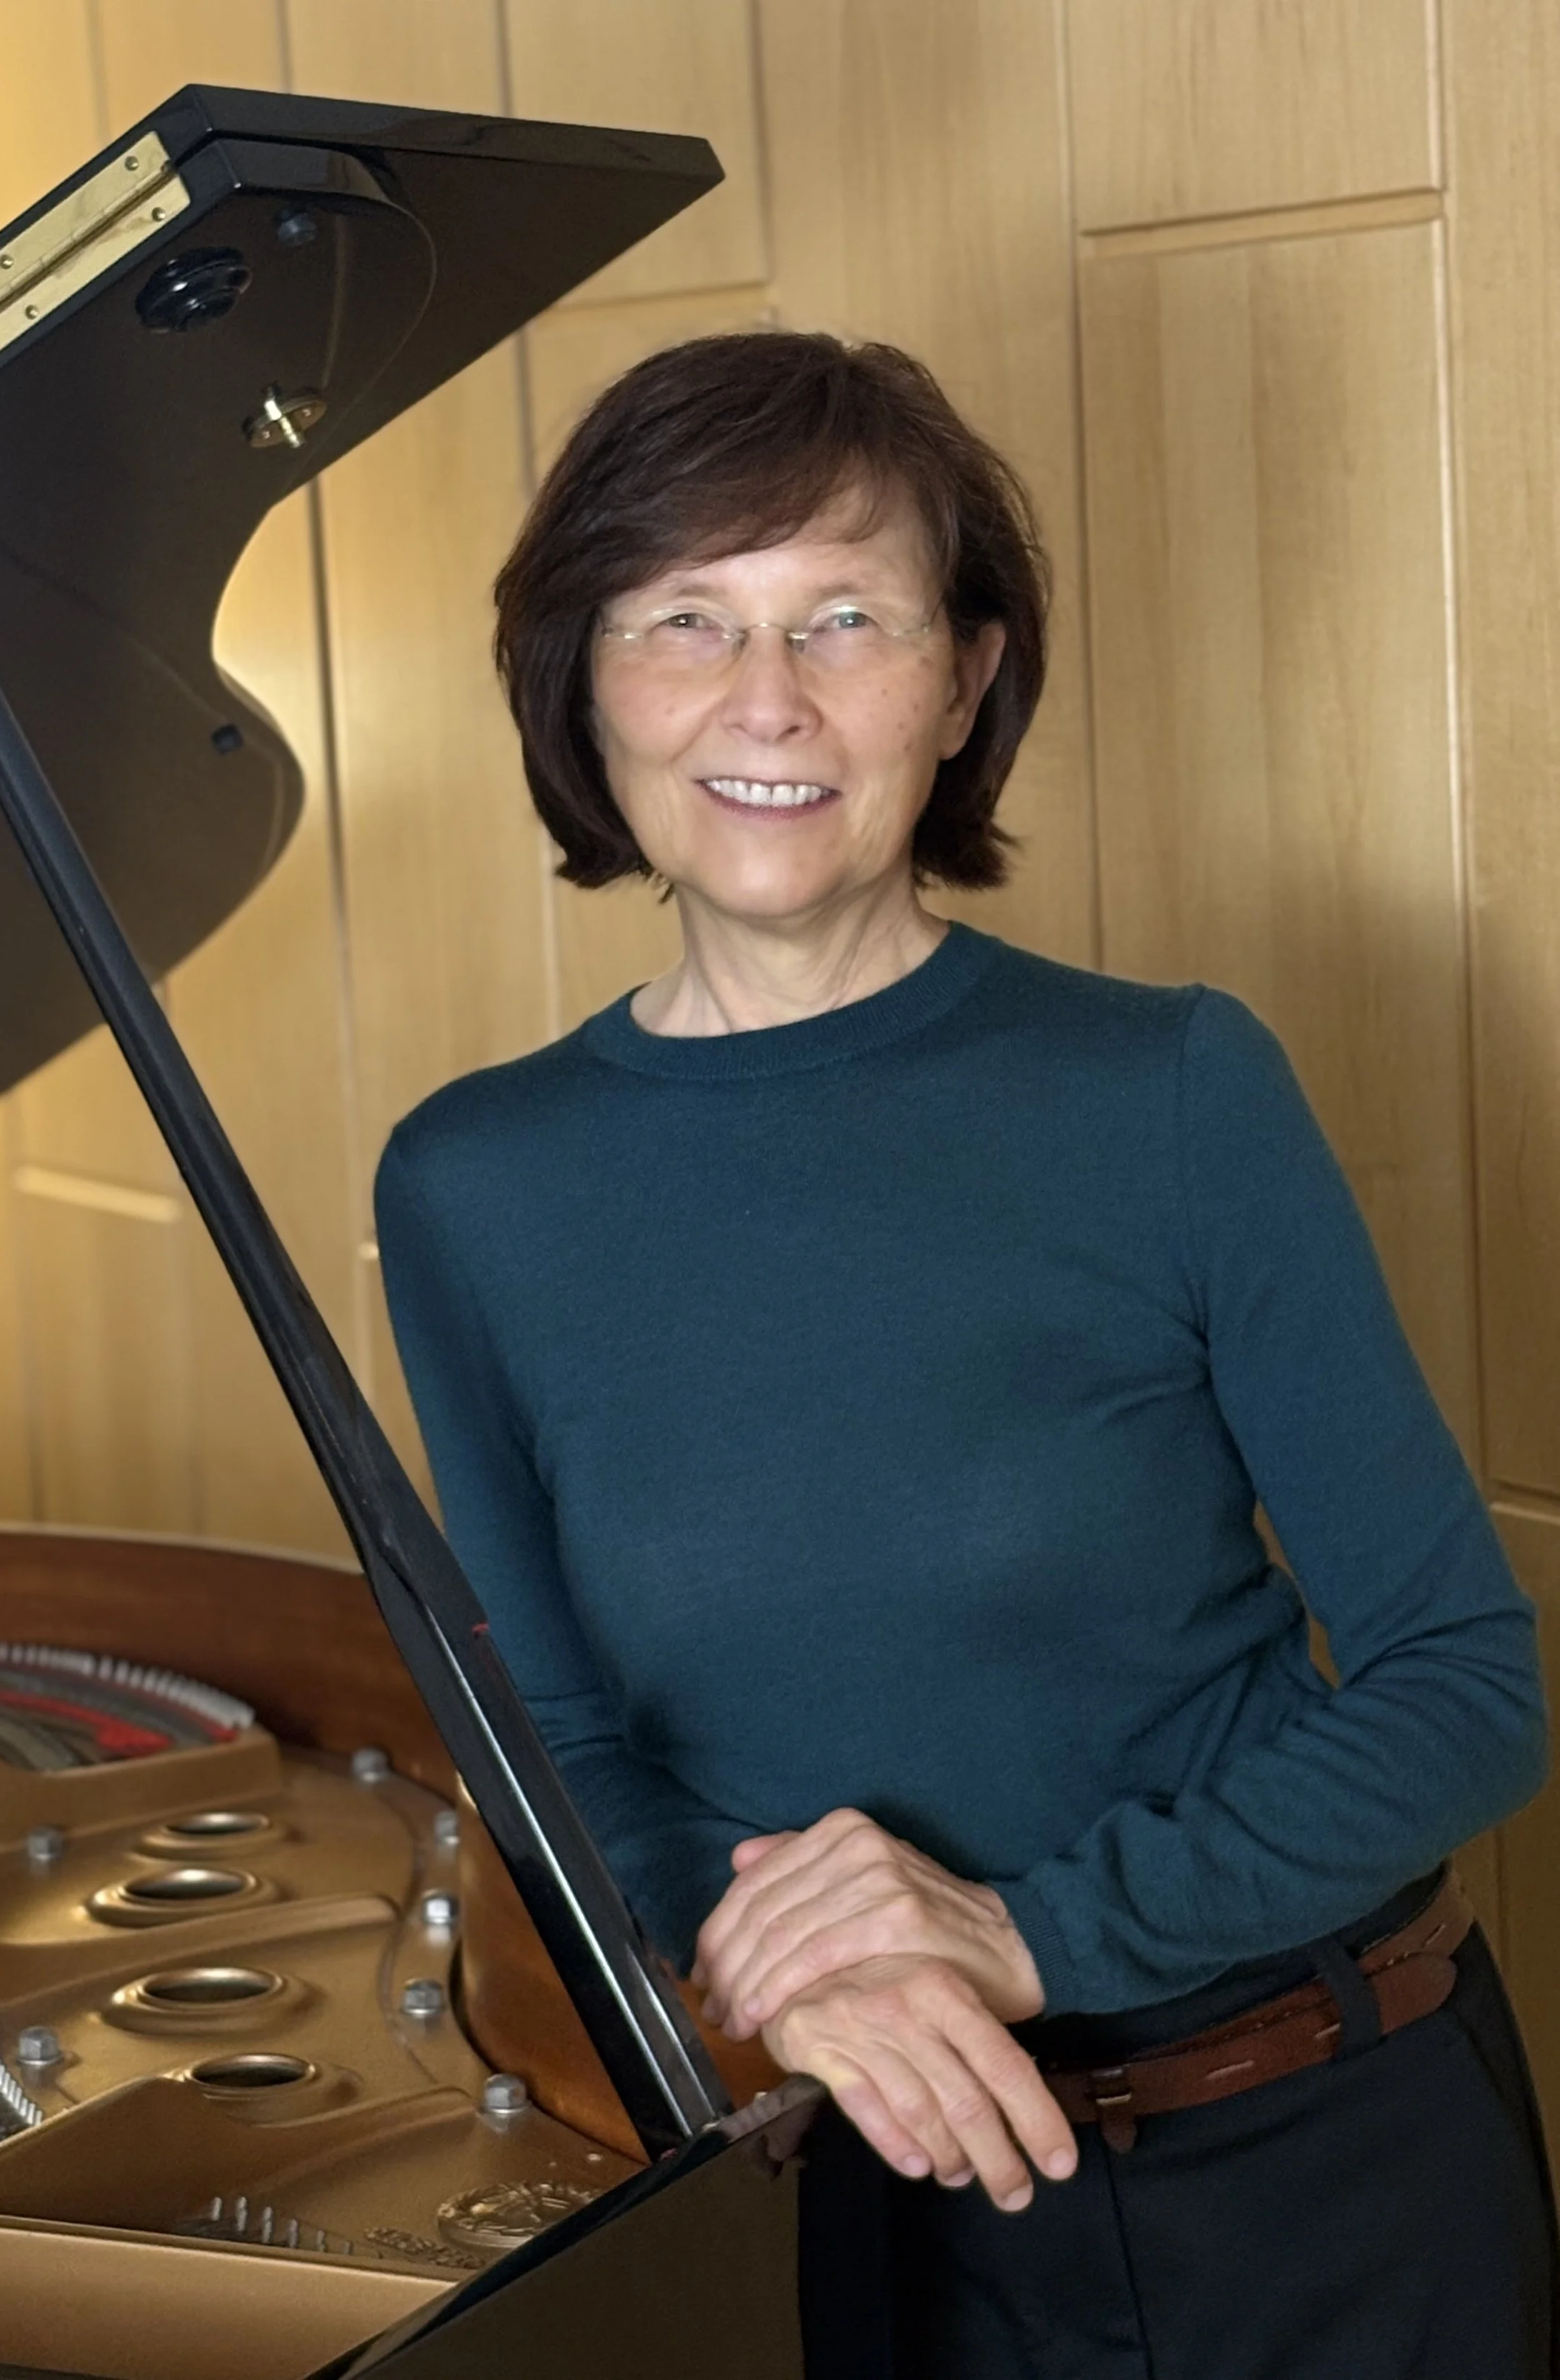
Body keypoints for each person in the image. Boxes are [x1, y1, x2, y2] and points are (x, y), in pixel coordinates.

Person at [373, 329, 1556, 2377]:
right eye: (685, 620)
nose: (767, 700)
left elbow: (1473, 1689)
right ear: (583, 680)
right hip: (860, 2200)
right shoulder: (472, 1187)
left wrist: (1018, 1934)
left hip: (1324, 2172)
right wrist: (777, 1970)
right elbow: (563, 1740)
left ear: (963, 676)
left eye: (844, 616)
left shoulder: (1171, 1087)